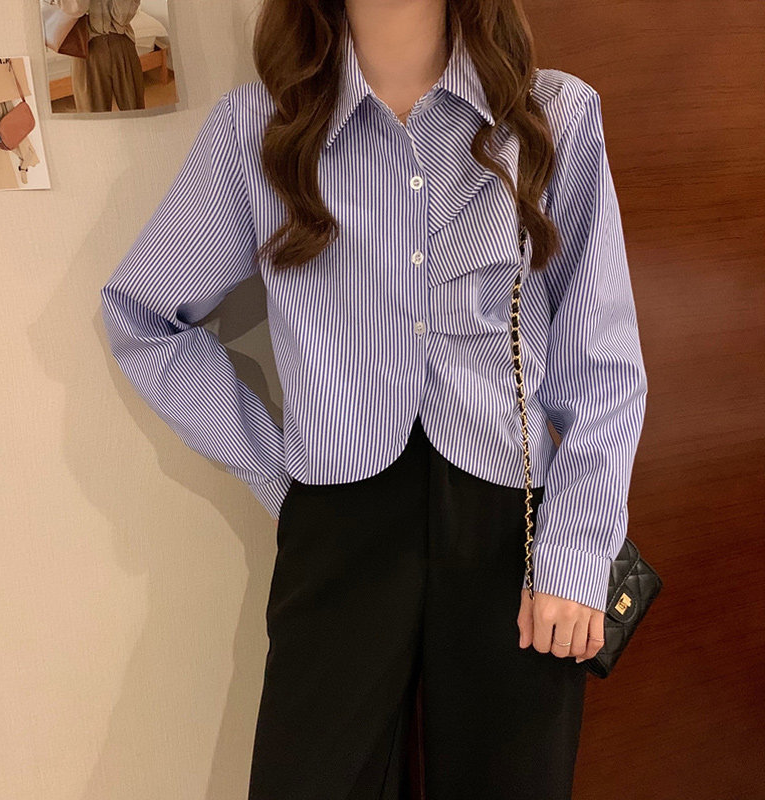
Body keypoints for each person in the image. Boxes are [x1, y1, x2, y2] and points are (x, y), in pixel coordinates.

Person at [99, 0, 648, 797]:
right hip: (338, 520)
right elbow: (145, 316)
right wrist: (280, 472)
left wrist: (577, 547)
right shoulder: (259, 129)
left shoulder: (553, 115)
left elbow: (603, 361)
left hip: (515, 530)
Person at [50, 0, 145, 111]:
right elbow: (76, 9)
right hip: (85, 47)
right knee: (92, 114)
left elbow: (122, 17)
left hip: (121, 42)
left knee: (134, 110)